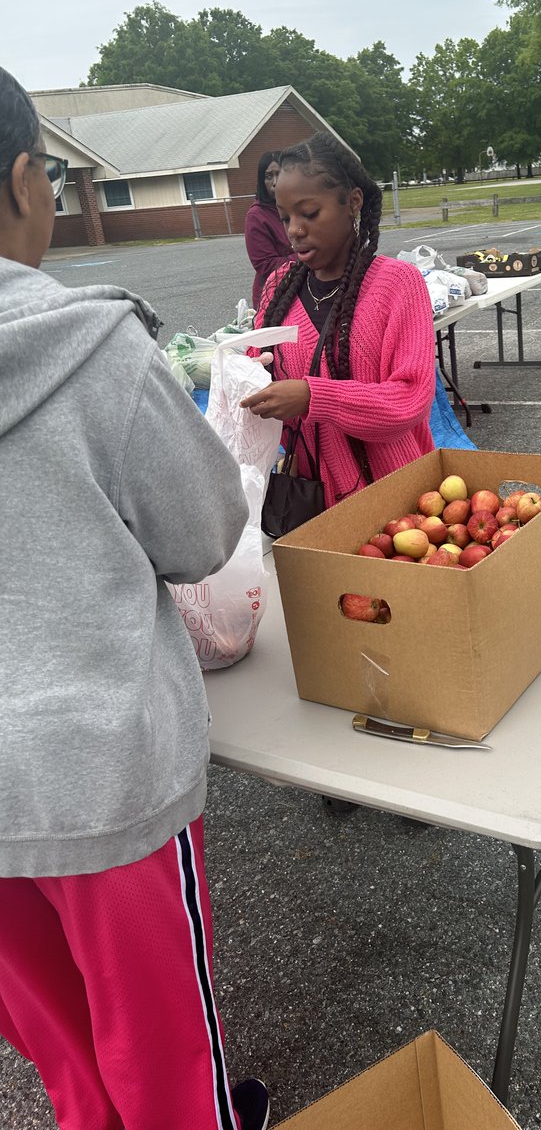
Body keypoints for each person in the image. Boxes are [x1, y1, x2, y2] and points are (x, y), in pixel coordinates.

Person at [0, 67, 270, 1130]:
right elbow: (203, 536)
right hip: (96, 771)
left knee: (63, 1048)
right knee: (160, 1051)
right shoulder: (90, 348)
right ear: (27, 180)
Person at [240, 131, 435, 507]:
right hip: (310, 495)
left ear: (353, 203)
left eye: (309, 213)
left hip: (396, 495)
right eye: (285, 217)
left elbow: (410, 399)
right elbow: (256, 369)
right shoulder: (279, 287)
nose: (295, 229)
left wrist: (313, 396)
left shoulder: (397, 284)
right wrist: (246, 380)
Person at [244, 150, 295, 311]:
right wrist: (306, 256)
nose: (275, 182)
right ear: (261, 181)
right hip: (273, 296)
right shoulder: (256, 216)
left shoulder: (297, 207)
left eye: (279, 174)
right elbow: (265, 265)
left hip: (299, 287)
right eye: (268, 176)